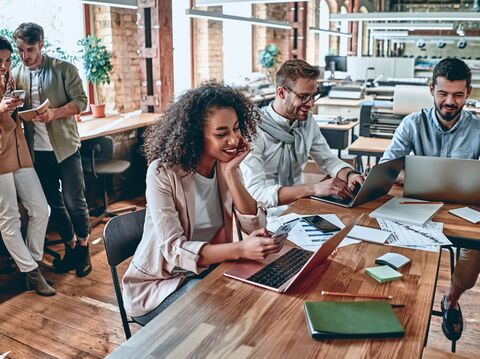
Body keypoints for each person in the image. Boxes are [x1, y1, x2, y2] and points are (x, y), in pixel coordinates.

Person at [122, 82, 285, 325]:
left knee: (263, 300)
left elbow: (255, 224)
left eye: (236, 129)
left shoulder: (223, 164)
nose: (233, 140)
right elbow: (174, 251)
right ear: (196, 134)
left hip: (207, 272)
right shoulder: (163, 173)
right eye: (221, 134)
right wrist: (240, 249)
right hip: (160, 286)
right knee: (228, 315)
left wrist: (231, 173)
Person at [380, 58, 480, 341]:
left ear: (468, 93)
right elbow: (386, 168)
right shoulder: (413, 123)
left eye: (458, 95)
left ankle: (452, 298)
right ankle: (406, 304)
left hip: (464, 211)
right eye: (443, 93)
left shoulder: (478, 128)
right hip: (418, 208)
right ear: (431, 90)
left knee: (475, 253)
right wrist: (411, 176)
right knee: (404, 252)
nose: (450, 101)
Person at [13, 23, 91, 277]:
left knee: (73, 201)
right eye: (21, 50)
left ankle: (84, 248)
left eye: (31, 49)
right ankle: (70, 247)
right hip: (38, 153)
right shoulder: (16, 74)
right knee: (53, 203)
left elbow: (82, 101)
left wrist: (54, 113)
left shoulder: (63, 69)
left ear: (42, 44)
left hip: (66, 147)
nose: (26, 56)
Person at [240, 59, 364, 211]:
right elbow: (255, 194)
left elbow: (327, 159)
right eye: (304, 97)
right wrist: (313, 189)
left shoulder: (306, 121)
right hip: (268, 214)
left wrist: (350, 174)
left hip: (300, 206)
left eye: (313, 96)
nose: (311, 104)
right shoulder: (253, 129)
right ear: (281, 93)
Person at [0, 35, 54, 296]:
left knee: (41, 209)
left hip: (20, 150)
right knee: (9, 217)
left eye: (8, 60)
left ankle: (32, 261)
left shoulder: (9, 79)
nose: (5, 65)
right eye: (0, 61)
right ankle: (31, 273)